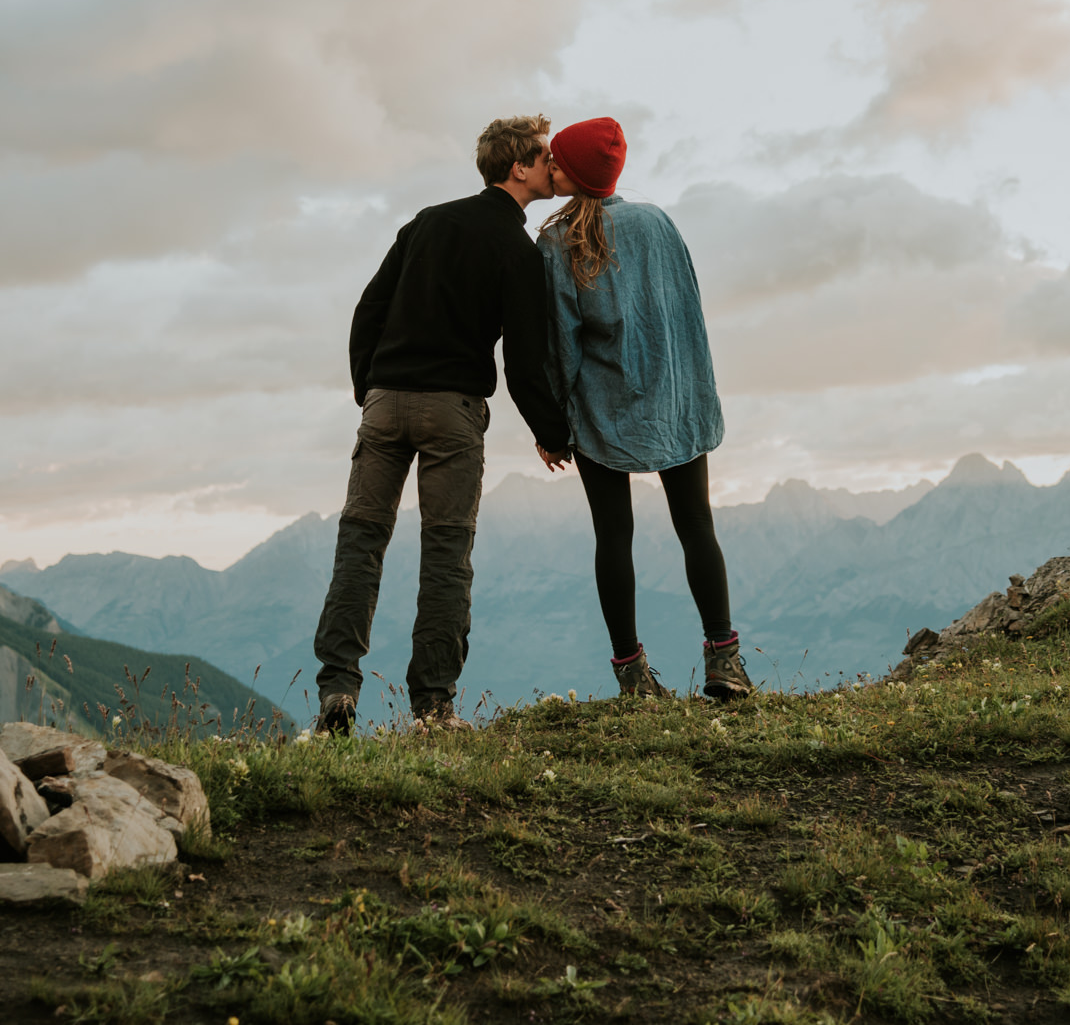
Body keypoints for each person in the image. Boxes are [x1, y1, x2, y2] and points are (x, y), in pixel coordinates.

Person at [311, 116, 572, 735]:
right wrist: (551, 431)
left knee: (360, 542)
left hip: (385, 401)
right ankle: (432, 707)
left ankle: (337, 696)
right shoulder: (518, 250)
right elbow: (525, 359)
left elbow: (368, 309)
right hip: (452, 411)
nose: (551, 165)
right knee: (446, 553)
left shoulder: (426, 221)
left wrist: (368, 389)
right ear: (519, 167)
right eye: (544, 157)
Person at [536, 116, 752, 701]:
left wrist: (556, 423)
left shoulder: (557, 243)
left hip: (602, 408)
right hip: (677, 401)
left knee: (613, 537)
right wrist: (693, 390)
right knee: (697, 526)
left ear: (576, 171)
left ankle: (633, 677)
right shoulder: (659, 222)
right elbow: (689, 309)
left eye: (556, 161)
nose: (549, 168)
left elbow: (561, 340)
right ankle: (723, 662)